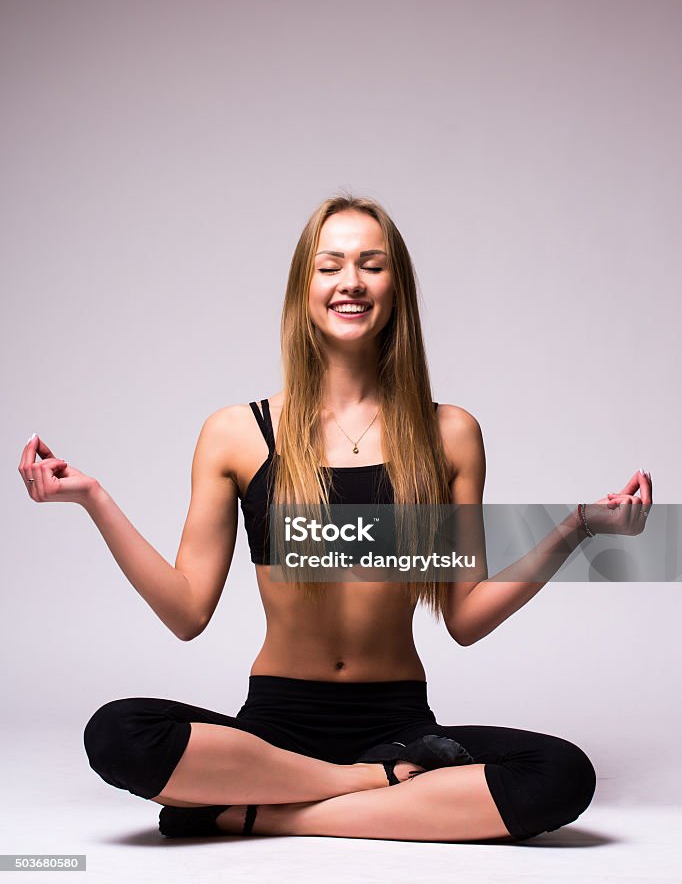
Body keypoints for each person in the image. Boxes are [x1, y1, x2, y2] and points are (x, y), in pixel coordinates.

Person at [19, 194, 652, 843]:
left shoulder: (450, 434)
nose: (351, 280)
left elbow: (464, 619)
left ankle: (245, 810)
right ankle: (380, 786)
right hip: (276, 727)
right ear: (305, 287)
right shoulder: (238, 433)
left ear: (395, 286)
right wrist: (94, 500)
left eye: (371, 264)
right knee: (118, 733)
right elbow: (187, 611)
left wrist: (577, 530)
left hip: (399, 723)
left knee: (560, 774)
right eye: (331, 265)